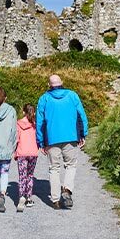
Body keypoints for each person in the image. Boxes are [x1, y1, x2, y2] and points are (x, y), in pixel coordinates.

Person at [36, 75, 88, 209]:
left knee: (54, 168)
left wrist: (40, 142)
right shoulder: (72, 95)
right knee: (71, 165)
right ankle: (67, 189)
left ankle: (55, 200)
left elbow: (40, 122)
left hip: (52, 139)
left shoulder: (44, 99)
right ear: (62, 83)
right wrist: (83, 134)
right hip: (71, 137)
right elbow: (81, 115)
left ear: (49, 85)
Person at [14, 104, 39, 212]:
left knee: (22, 176)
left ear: (23, 112)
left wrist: (15, 151)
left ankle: (21, 197)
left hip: (22, 152)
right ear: (33, 112)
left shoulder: (18, 124)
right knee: (30, 175)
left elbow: (16, 139)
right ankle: (29, 198)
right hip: (33, 153)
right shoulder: (35, 125)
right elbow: (38, 138)